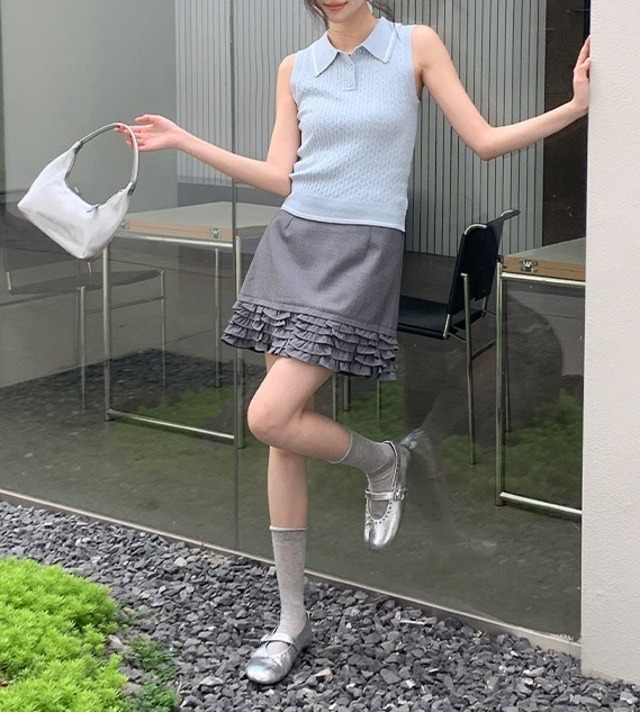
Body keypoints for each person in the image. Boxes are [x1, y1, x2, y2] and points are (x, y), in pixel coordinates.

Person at [124, 0, 591, 686]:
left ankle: (383, 463)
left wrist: (576, 107)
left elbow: (486, 141)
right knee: (284, 437)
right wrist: (184, 140)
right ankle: (291, 618)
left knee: (267, 415)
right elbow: (281, 176)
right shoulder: (296, 67)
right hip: (292, 243)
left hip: (363, 250)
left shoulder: (415, 46)